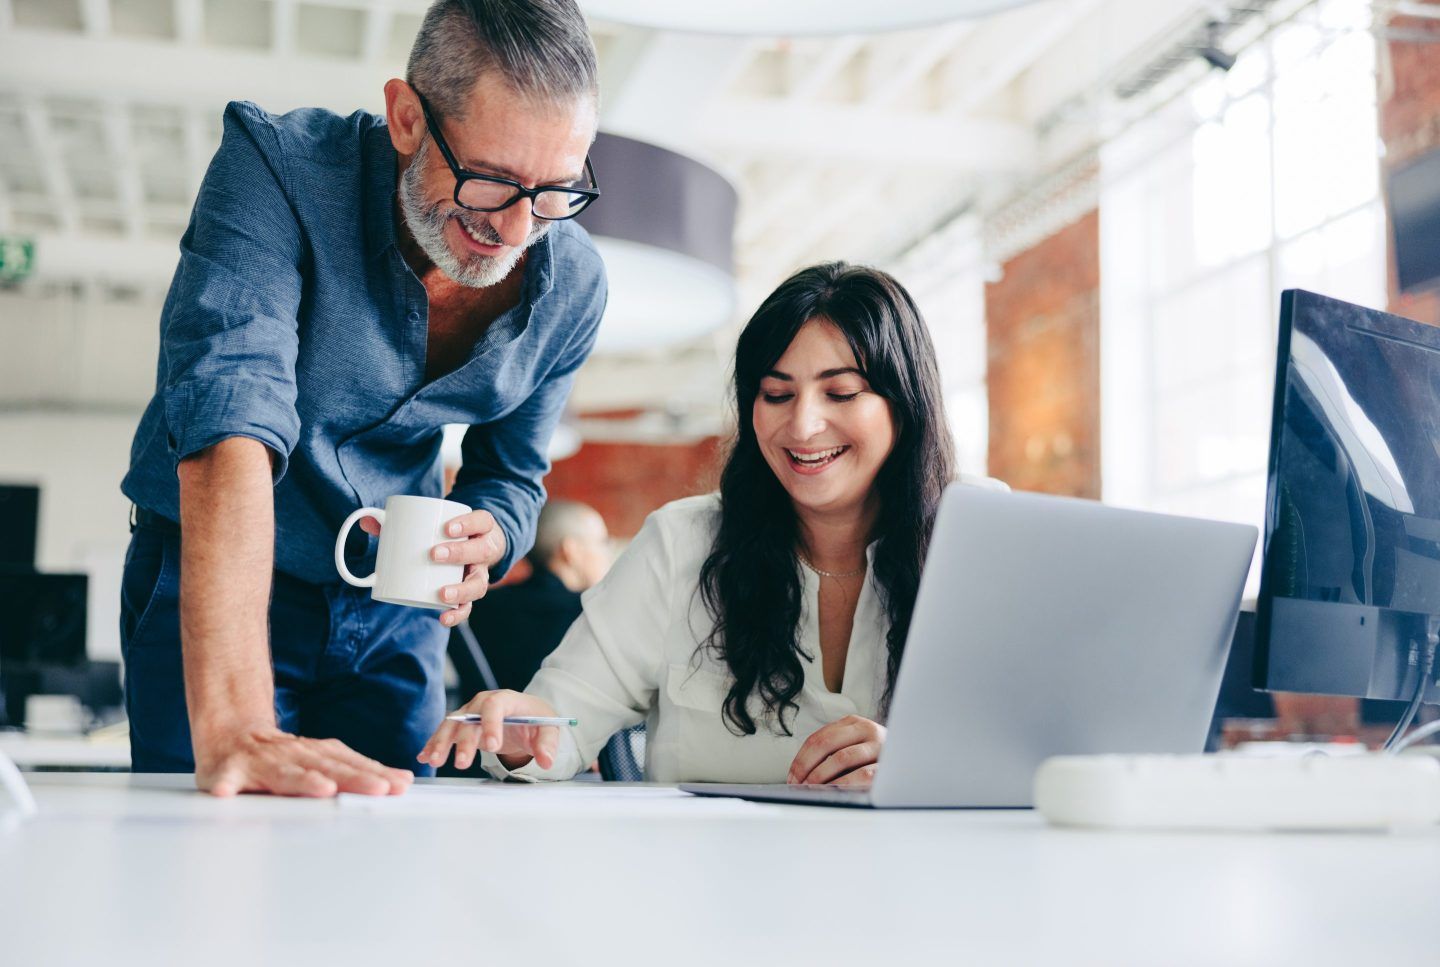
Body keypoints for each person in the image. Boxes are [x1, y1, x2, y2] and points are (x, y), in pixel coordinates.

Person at [118, 0, 607, 797]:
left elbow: (512, 474)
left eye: (556, 190)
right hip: (227, 579)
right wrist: (238, 723)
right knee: (208, 844)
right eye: (491, 182)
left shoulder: (574, 282)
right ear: (407, 117)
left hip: (393, 607)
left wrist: (494, 536)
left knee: (387, 862)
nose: (520, 228)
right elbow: (228, 416)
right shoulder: (276, 167)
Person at [420, 261, 957, 785]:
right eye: (776, 395)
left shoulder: (974, 544)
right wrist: (517, 728)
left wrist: (924, 767)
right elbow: (562, 717)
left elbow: (1034, 743)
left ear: (904, 402)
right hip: (706, 872)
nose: (803, 424)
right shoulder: (683, 542)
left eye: (841, 393)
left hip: (917, 870)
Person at [467, 499, 613, 691]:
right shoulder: (591, 612)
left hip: (485, 717)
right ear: (571, 550)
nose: (608, 553)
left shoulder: (480, 605)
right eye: (603, 542)